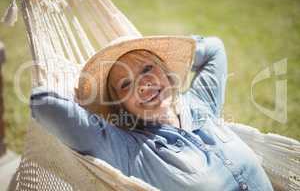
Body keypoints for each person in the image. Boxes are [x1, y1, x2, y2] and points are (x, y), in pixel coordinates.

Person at [30, 35, 273, 191]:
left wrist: (181, 48)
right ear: (120, 105)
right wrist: (79, 94)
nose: (144, 83)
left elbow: (215, 49)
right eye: (126, 84)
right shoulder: (128, 151)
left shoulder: (199, 104)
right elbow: (44, 104)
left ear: (166, 73)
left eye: (148, 68)